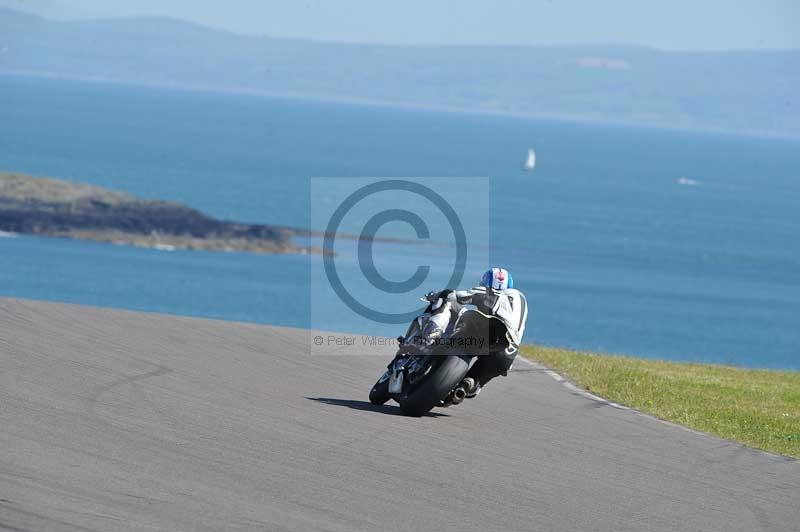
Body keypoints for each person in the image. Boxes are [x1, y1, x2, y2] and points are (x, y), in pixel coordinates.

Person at [422, 267, 528, 399]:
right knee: (471, 385)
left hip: (488, 331)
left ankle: (433, 332)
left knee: (447, 302)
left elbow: (459, 297)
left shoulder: (488, 291)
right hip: (507, 354)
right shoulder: (521, 300)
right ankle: (467, 385)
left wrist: (440, 295)